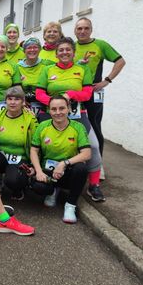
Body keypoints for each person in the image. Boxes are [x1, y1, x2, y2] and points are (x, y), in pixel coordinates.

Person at [35, 37, 104, 202]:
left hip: (77, 114)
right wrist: (56, 103)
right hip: (51, 113)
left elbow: (87, 93)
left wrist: (71, 95)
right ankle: (49, 183)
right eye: (61, 50)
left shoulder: (82, 69)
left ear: (73, 52)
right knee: (48, 147)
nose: (64, 52)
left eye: (68, 49)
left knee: (93, 145)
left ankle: (94, 185)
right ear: (56, 53)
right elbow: (39, 94)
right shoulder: (48, 70)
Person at [29, 96, 91, 223]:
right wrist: (39, 171)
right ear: (49, 111)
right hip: (48, 172)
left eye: (62, 108)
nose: (58, 112)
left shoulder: (78, 127)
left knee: (81, 168)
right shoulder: (42, 126)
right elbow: (34, 150)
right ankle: (52, 191)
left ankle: (70, 205)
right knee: (36, 185)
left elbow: (86, 154)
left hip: (67, 171)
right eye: (54, 109)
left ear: (68, 108)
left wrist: (64, 163)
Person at [74, 17, 126, 157]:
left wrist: (107, 80)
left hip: (93, 91)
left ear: (91, 30)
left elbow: (120, 61)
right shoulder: (71, 46)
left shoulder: (100, 45)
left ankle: (98, 163)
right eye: (79, 28)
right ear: (75, 31)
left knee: (94, 125)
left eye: (86, 28)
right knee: (75, 125)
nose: (83, 31)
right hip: (76, 93)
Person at [0, 87, 38, 200]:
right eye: (9, 99)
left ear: (23, 101)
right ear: (5, 101)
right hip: (1, 155)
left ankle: (19, 188)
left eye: (16, 99)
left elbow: (37, 143)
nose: (12, 102)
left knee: (13, 180)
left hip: (21, 158)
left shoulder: (30, 118)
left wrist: (34, 165)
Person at [17, 37, 54, 116]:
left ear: (40, 49)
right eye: (29, 48)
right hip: (23, 106)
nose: (32, 50)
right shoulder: (17, 67)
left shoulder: (48, 64)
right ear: (24, 50)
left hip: (45, 105)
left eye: (35, 47)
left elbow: (63, 66)